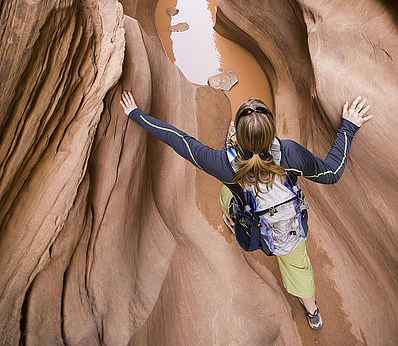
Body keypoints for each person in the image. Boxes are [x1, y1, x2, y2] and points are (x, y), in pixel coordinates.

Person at [120, 91, 372, 330]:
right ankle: (313, 313)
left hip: (257, 231)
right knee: (299, 268)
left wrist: (135, 113)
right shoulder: (290, 153)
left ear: (238, 136)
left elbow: (180, 141)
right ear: (271, 131)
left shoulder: (224, 165)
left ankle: (233, 222)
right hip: (289, 233)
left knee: (225, 193)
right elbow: (331, 173)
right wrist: (348, 127)